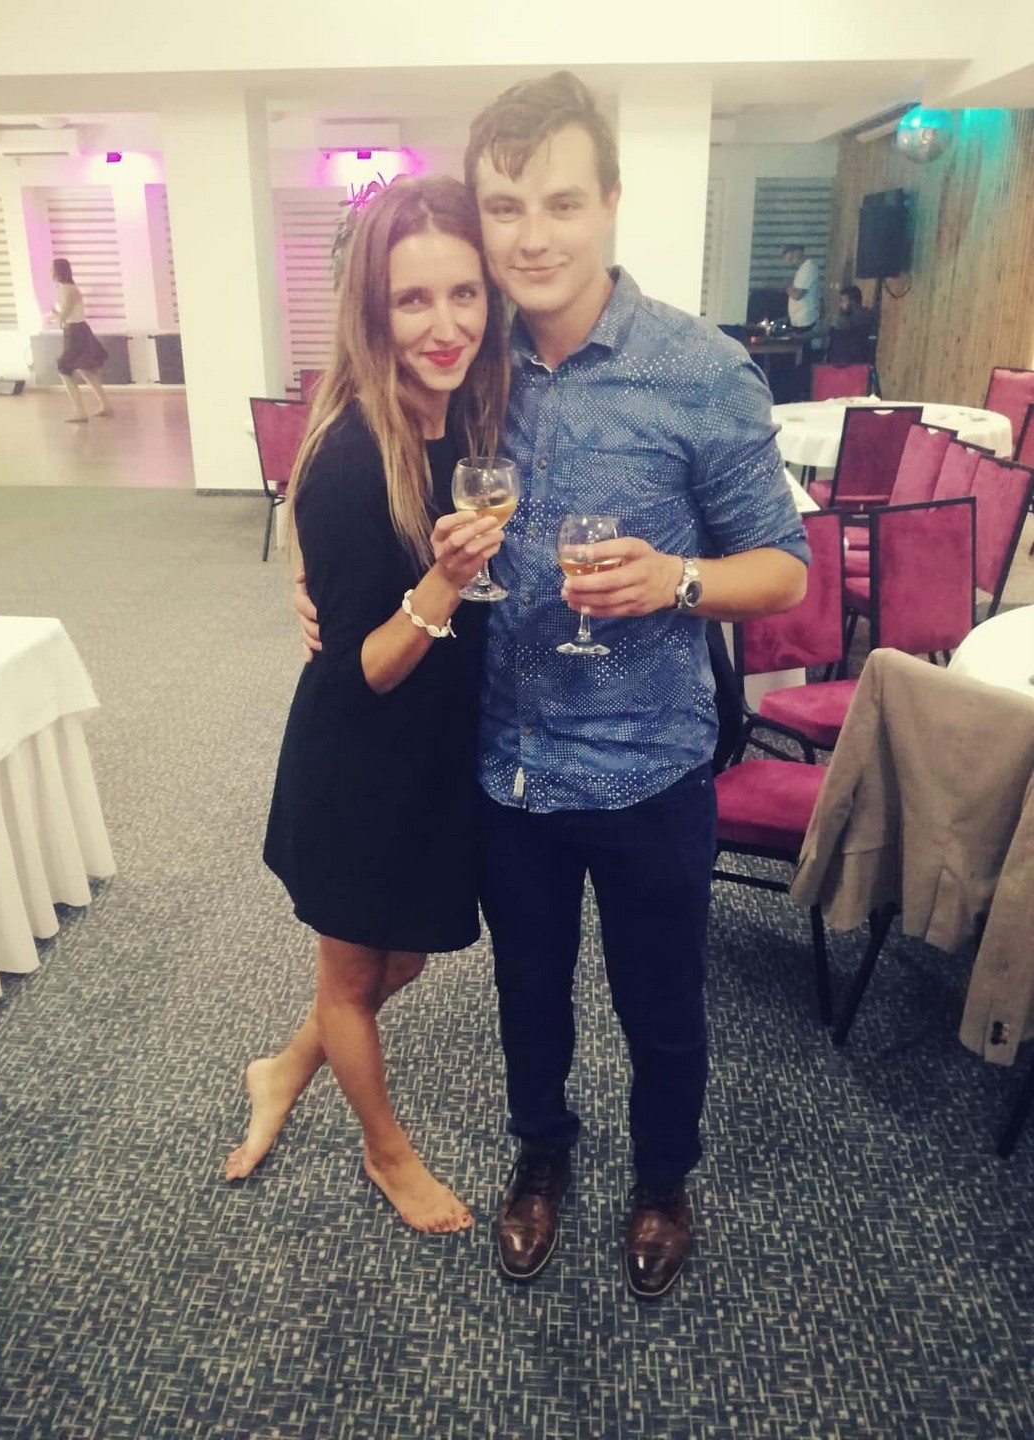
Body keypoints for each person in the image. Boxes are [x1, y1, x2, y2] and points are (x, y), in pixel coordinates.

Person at [296, 71, 809, 1297]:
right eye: (507, 207)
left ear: (612, 202)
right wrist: (311, 582)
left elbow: (786, 571)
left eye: (562, 204)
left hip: (648, 767)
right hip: (506, 764)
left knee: (662, 1004)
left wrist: (679, 580)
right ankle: (542, 1157)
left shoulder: (702, 371)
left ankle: (664, 1179)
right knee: (529, 998)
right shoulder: (468, 359)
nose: (533, 238)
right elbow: (356, 464)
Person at [226, 176, 510, 1236]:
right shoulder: (351, 456)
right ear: (373, 312)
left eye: (464, 294)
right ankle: (386, 1154)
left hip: (436, 751)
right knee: (351, 977)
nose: (446, 326)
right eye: (413, 301)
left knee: (406, 955)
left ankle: (284, 1065)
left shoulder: (463, 418)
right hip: (360, 759)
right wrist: (445, 580)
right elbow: (357, 673)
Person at [48, 258, 112, 422]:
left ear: (58, 271)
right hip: (77, 330)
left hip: (75, 332)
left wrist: (54, 317)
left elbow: (64, 317)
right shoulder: (65, 288)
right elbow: (65, 315)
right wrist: (56, 316)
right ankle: (105, 405)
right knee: (86, 370)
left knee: (64, 369)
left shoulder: (67, 290)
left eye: (51, 269)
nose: (49, 272)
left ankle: (80, 412)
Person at [828, 284, 874, 365]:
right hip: (860, 362)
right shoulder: (868, 315)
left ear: (852, 302)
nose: (840, 305)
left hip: (844, 363)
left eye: (843, 301)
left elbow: (826, 329)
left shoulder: (845, 321)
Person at [780, 243, 821, 332]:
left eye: (791, 257)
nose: (789, 261)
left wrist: (787, 287)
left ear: (797, 252)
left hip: (805, 320)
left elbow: (797, 295)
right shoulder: (802, 269)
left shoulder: (809, 268)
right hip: (799, 320)